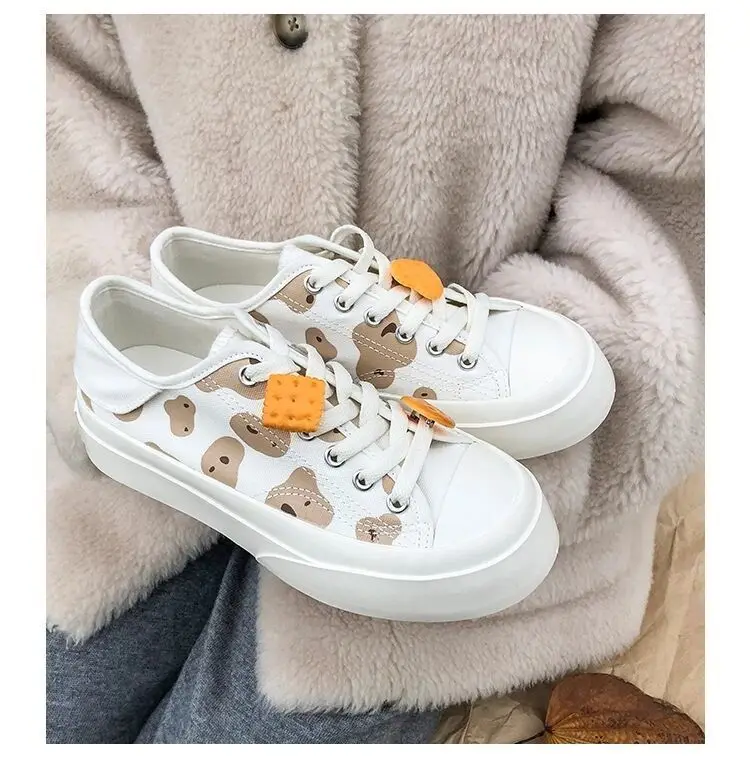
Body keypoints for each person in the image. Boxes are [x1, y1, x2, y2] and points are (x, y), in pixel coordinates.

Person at [46, 14, 704, 744]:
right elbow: (66, 115)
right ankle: (154, 375)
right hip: (160, 451)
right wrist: (81, 355)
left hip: (435, 523)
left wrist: (560, 452)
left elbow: (682, 182)